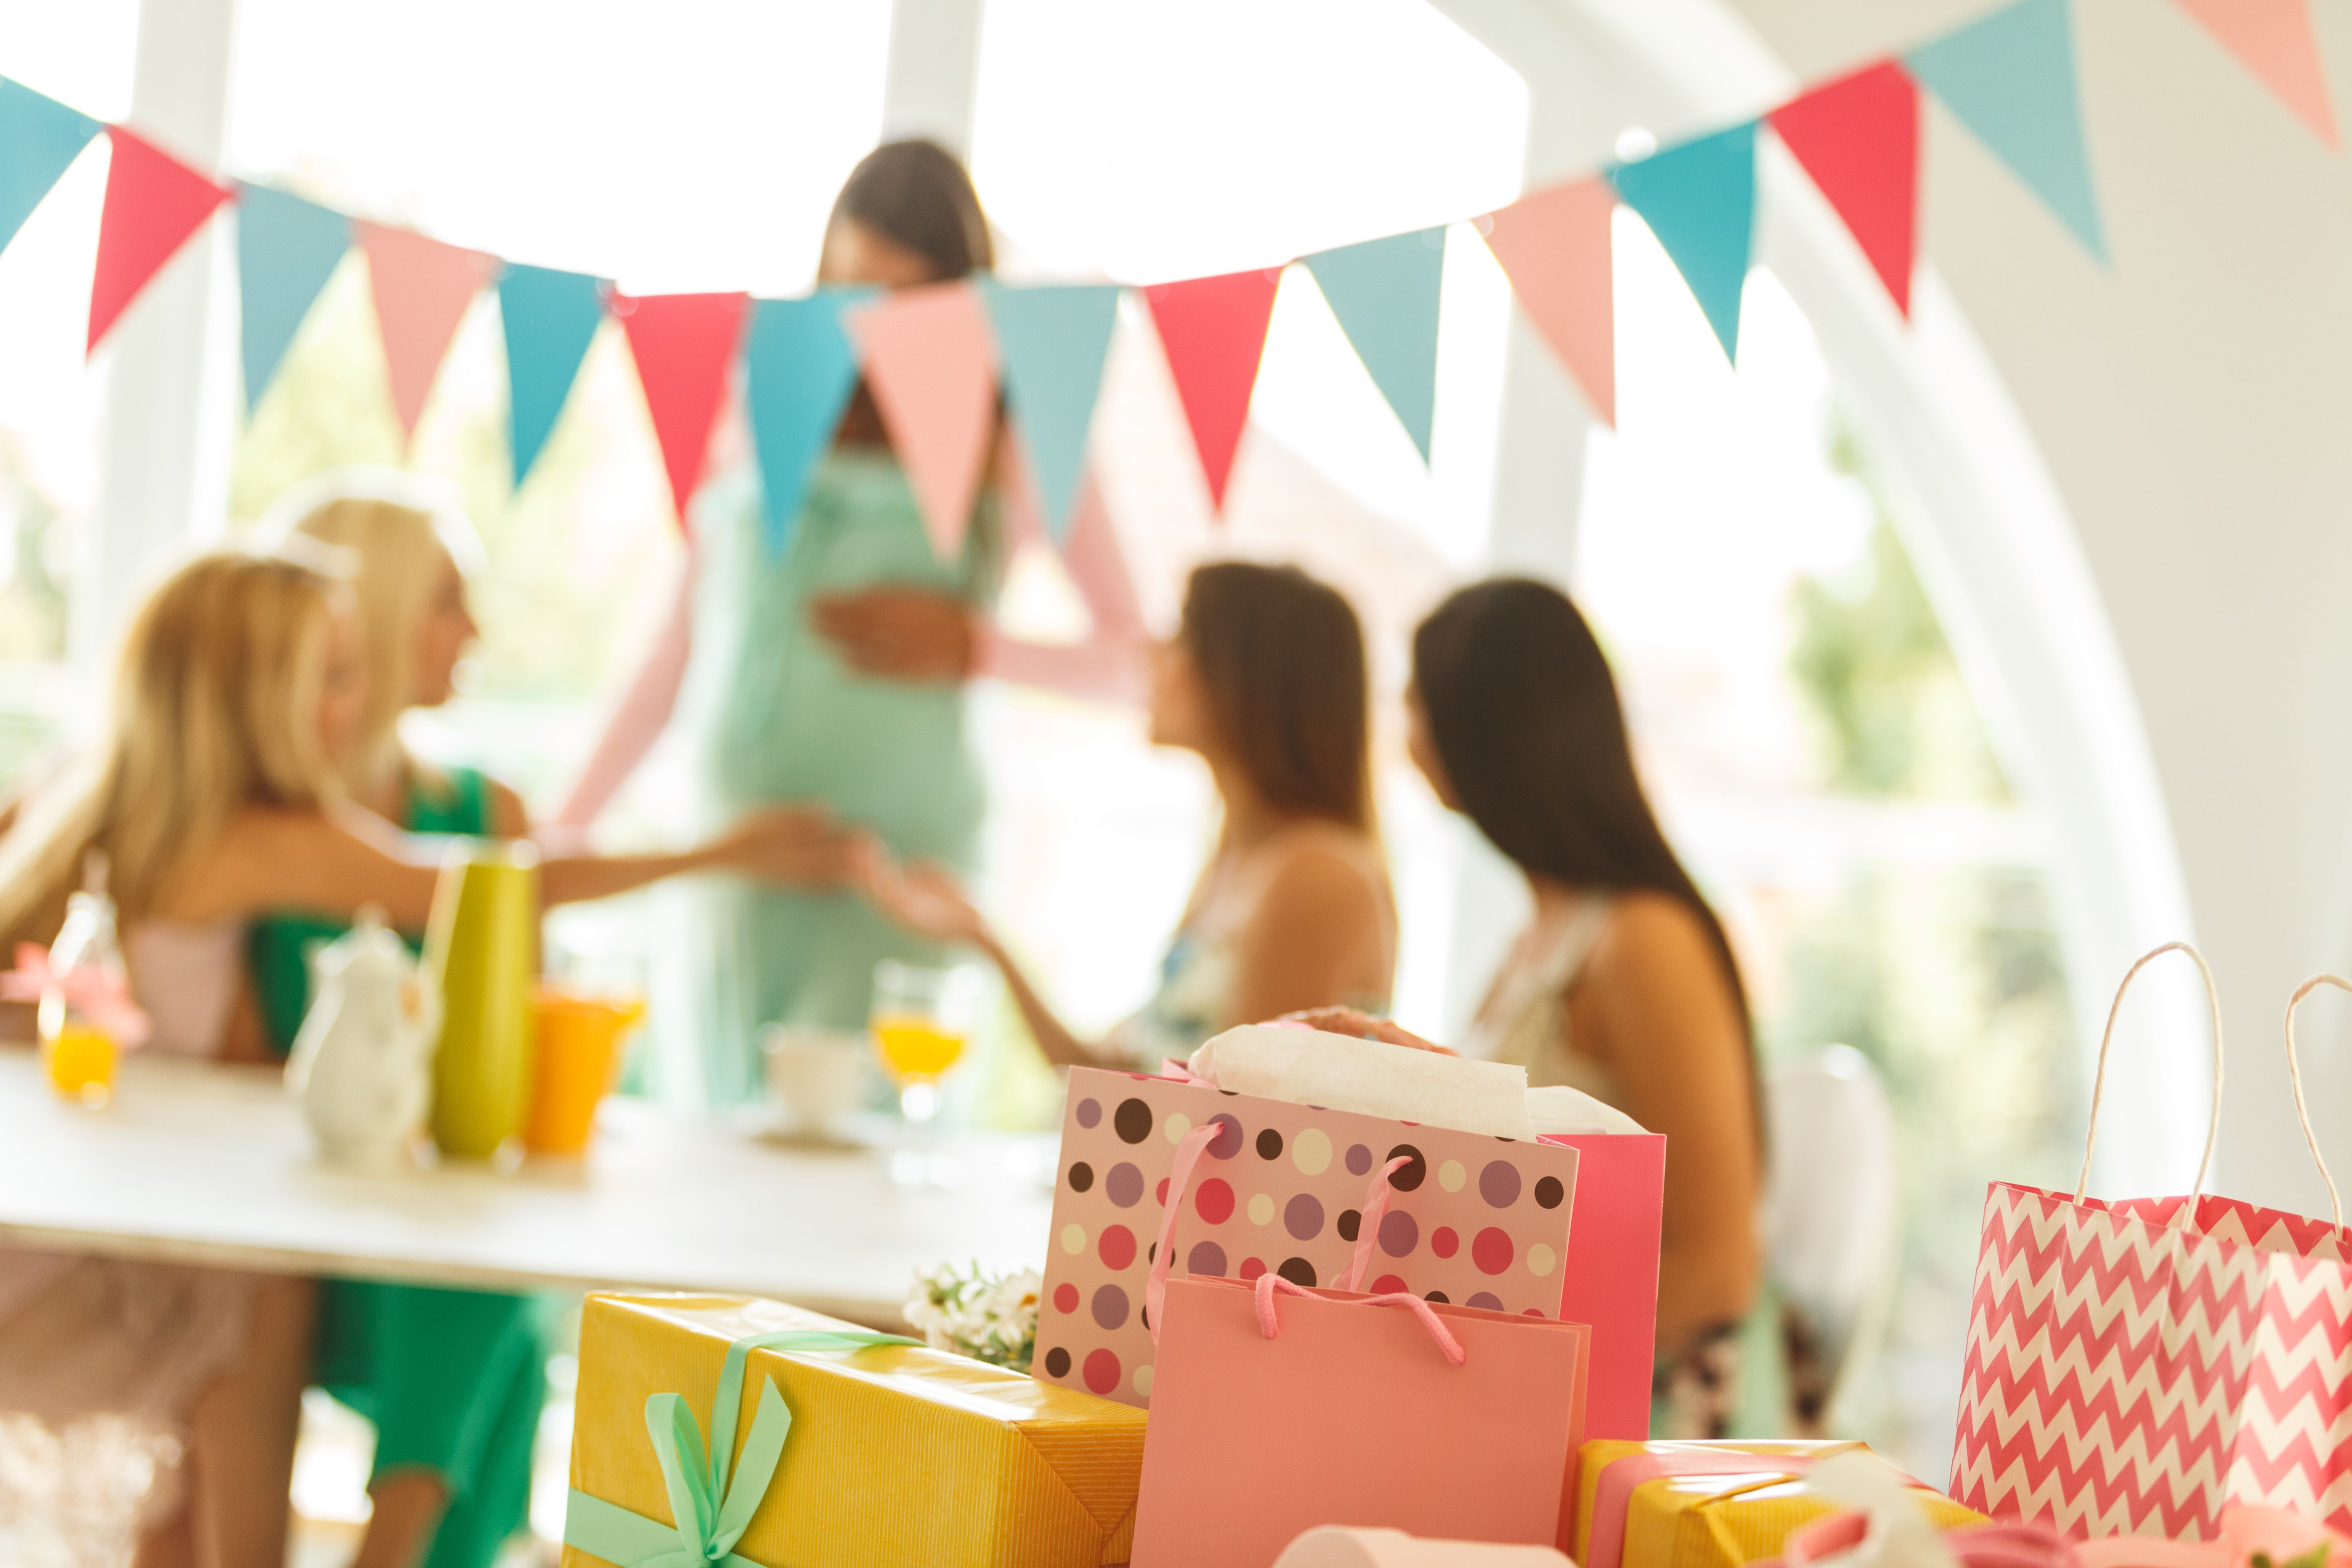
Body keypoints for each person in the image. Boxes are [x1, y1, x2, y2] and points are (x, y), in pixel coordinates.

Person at [0, 547, 846, 1566]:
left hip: (63, 1210)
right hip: (57, 1267)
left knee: (281, 1283)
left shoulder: (76, 805)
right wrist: (714, 853)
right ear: (254, 698)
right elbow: (484, 883)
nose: (356, 704)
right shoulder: (252, 838)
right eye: (336, 675)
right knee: (265, 1292)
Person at [550, 138, 1148, 1108]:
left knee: (862, 1169)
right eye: (852, 291)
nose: (873, 328)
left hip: (899, 885)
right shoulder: (763, 400)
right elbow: (676, 652)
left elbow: (1138, 664)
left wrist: (975, 648)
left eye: (910, 303)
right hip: (736, 863)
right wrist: (556, 843)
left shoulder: (1021, 430)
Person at [1292, 577, 1766, 1439]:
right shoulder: (1543, 934)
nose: (1406, 740)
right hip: (1539, 1376)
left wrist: (1498, 1395)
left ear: (1489, 731)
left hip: (1645, 1412)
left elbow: (1717, 1266)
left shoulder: (1642, 940)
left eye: (1419, 706)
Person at [858, 560, 1394, 1067]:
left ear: (1250, 678)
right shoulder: (1239, 860)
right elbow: (1113, 1074)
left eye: (1183, 636)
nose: (1151, 653)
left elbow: (1247, 1120)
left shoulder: (1316, 874)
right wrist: (985, 936)